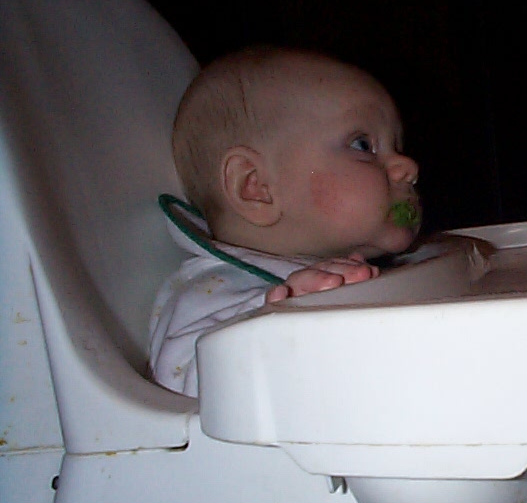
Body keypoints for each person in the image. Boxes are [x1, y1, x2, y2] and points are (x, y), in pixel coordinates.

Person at [148, 46, 421, 397]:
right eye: (362, 144)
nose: (407, 166)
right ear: (257, 187)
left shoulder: (344, 272)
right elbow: (177, 387)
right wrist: (280, 327)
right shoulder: (213, 291)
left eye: (397, 145)